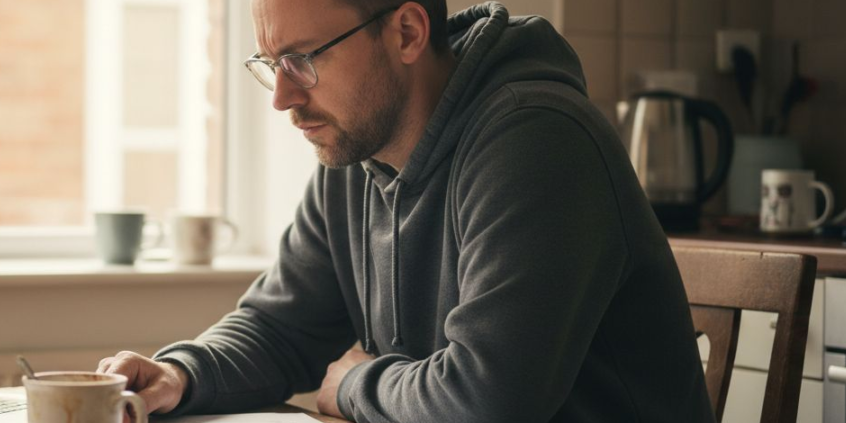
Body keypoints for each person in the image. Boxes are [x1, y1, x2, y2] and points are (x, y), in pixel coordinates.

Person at [96, 1, 716, 421]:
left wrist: (352, 385)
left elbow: (487, 399)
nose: (283, 97)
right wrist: (180, 373)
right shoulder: (355, 154)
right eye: (270, 64)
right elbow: (281, 328)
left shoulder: (538, 140)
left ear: (408, 33)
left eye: (303, 60)